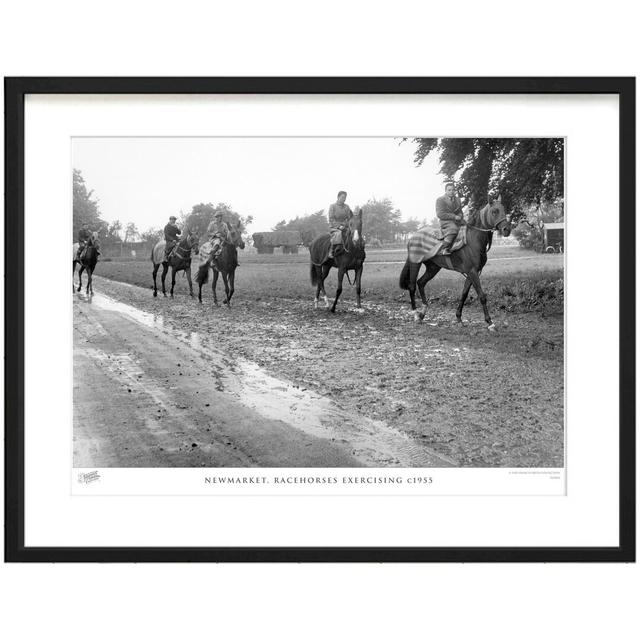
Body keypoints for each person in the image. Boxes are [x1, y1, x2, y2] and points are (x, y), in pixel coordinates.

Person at [436, 182, 464, 255]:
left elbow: (460, 211)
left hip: (457, 220)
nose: (451, 191)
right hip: (445, 221)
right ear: (445, 190)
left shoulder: (457, 199)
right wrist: (454, 216)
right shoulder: (440, 200)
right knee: (453, 229)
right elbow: (440, 214)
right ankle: (444, 249)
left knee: (469, 227)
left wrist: (460, 215)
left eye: (453, 190)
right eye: (449, 190)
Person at [327, 190, 353, 259]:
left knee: (353, 234)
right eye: (342, 197)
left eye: (345, 198)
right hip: (335, 227)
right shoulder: (332, 206)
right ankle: (331, 251)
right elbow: (331, 219)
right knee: (339, 233)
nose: (344, 199)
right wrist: (339, 226)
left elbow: (350, 217)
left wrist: (347, 225)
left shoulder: (347, 207)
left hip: (345, 226)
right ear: (338, 197)